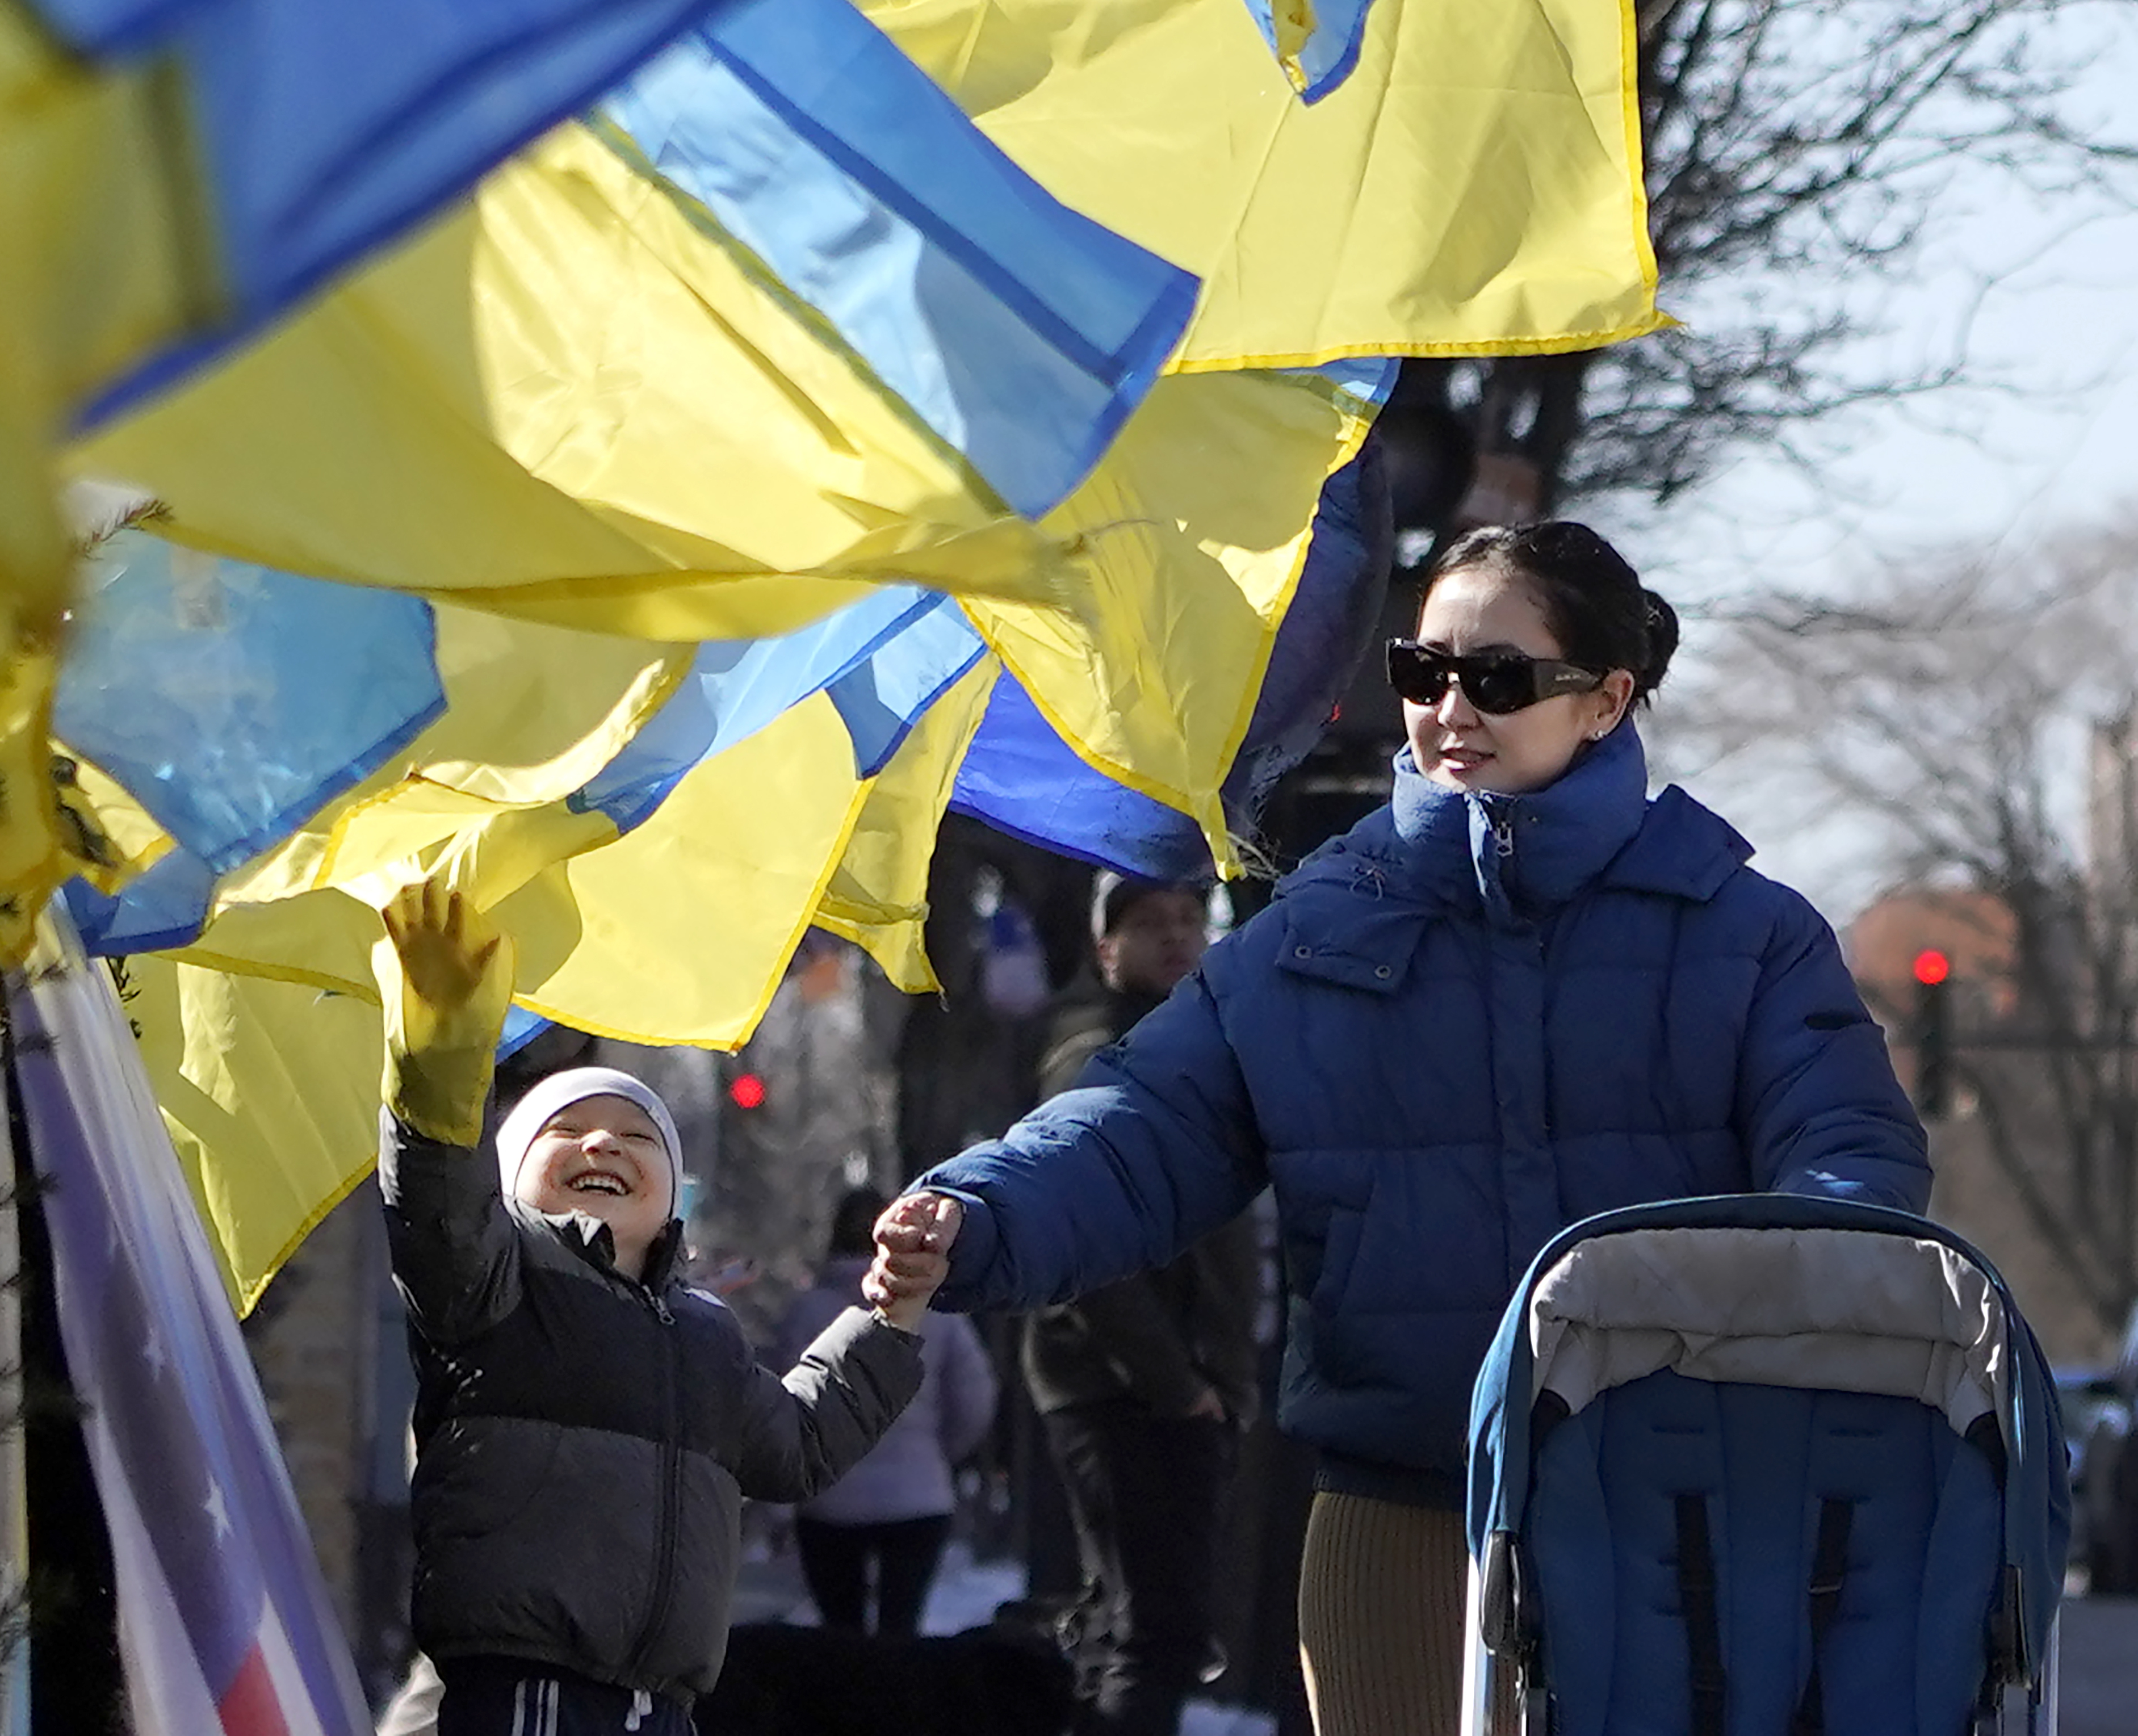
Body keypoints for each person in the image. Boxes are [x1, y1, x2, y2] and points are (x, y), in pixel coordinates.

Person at [867, 520, 1930, 1736]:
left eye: (1498, 677)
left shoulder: (1748, 932)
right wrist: (984, 1207)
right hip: (1397, 1512)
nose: (1449, 709)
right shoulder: (1314, 929)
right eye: (1422, 672)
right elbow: (1141, 1121)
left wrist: (1829, 1261)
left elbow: (1848, 1150)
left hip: (1681, 1503)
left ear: (1606, 699)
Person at [373, 881, 954, 1736]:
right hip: (530, 1692)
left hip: (662, 1706)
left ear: (670, 1199)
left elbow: (797, 1444)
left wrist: (893, 1309)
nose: (602, 1142)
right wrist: (440, 1065)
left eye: (635, 1134)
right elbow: (438, 1197)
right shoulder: (496, 1279)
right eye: (565, 1132)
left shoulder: (706, 1333)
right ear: (509, 1183)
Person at [1020, 874, 1257, 1736]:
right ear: (1104, 947)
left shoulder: (1192, 1043)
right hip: (1128, 1388)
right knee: (1156, 1632)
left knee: (1131, 1619)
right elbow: (1085, 1246)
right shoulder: (1098, 1057)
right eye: (1150, 922)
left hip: (1175, 1384)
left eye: (1192, 919)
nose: (1177, 936)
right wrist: (1176, 1384)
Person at [774, 1187, 1000, 1639]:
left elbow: (777, 1405)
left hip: (828, 1500)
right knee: (901, 1633)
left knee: (841, 1635)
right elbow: (975, 1395)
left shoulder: (806, 1311)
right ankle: (896, 1708)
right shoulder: (935, 1310)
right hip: (917, 1498)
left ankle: (846, 1708)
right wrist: (938, 1455)